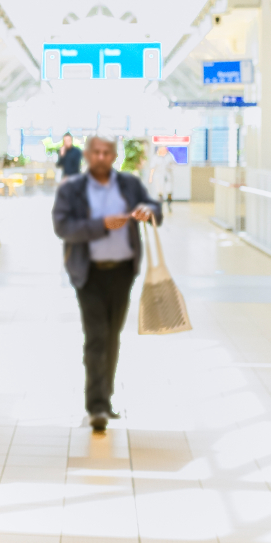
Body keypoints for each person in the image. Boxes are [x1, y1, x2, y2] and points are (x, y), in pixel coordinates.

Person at [51, 136, 161, 431]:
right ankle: (96, 406)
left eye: (107, 152)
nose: (101, 157)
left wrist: (149, 212)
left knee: (113, 335)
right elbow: (63, 227)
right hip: (88, 273)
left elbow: (153, 206)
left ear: (114, 155)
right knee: (97, 335)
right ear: (86, 155)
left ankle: (105, 398)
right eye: (96, 152)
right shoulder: (72, 189)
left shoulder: (129, 184)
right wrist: (101, 225)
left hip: (123, 272)